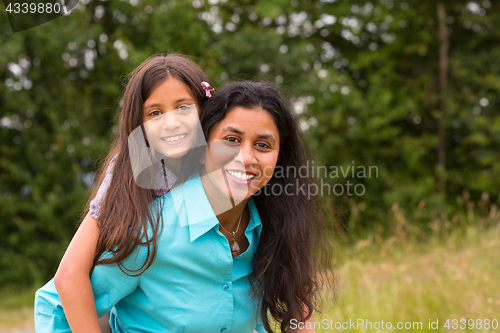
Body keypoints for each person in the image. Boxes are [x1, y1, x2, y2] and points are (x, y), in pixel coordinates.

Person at [35, 81, 334, 332]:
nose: (246, 157)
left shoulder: (274, 230)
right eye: (231, 139)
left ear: (280, 159)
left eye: (263, 145)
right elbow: (56, 305)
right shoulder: (151, 231)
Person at [34, 53, 214, 333]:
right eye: (155, 112)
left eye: (183, 107)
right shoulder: (129, 171)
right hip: (70, 314)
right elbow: (69, 275)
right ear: (139, 125)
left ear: (204, 109)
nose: (171, 122)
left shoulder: (215, 165)